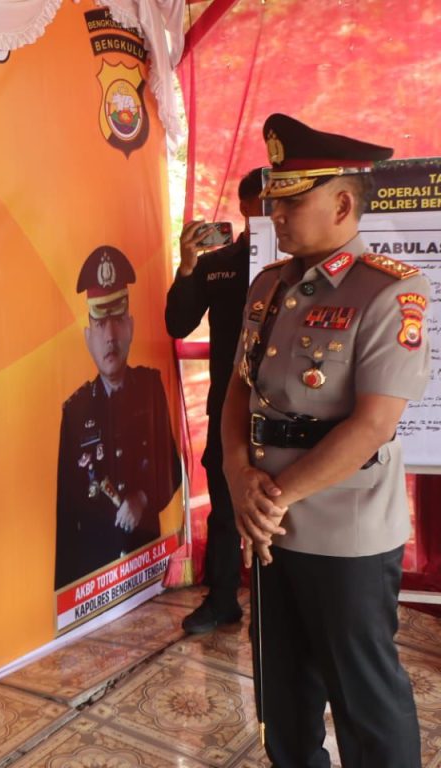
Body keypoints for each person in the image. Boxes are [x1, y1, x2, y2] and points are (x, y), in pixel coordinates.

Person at [222, 114, 428, 767]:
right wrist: (237, 475)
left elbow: (373, 425)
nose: (275, 214)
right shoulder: (268, 285)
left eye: (291, 200)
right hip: (271, 524)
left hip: (346, 528)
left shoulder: (390, 290)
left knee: (364, 697)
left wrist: (271, 497)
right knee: (281, 689)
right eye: (274, 199)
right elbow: (238, 392)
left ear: (342, 204)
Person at [165, 167, 264, 634]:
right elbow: (178, 324)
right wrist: (187, 266)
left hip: (293, 407)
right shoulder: (218, 263)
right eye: (265, 202)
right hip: (230, 403)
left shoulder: (307, 262)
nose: (276, 211)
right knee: (225, 504)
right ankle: (222, 598)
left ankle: (288, 605)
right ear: (244, 207)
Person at [55, 245, 182, 589]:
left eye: (117, 321)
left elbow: (172, 467)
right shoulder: (75, 410)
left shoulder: (150, 387)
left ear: (131, 327)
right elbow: (66, 515)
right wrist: (67, 592)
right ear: (87, 337)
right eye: (99, 324)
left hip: (145, 557)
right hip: (96, 571)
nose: (110, 336)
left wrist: (142, 498)